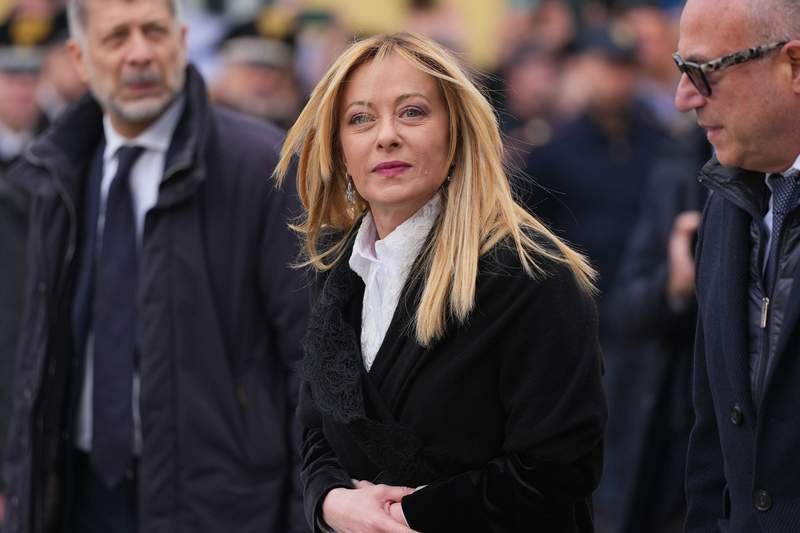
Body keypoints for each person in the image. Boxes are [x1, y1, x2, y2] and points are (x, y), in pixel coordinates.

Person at [274, 32, 607, 533]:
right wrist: (330, 504)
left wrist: (399, 516)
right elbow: (317, 428)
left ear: (456, 133)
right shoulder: (336, 268)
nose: (386, 135)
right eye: (360, 118)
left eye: (412, 112)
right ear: (339, 149)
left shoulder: (531, 277)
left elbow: (558, 470)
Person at [2, 0, 308, 532]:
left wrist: (307, 511)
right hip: (77, 496)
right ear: (79, 58)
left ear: (182, 41)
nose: (140, 53)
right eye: (117, 37)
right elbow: (27, 351)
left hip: (222, 504)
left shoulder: (261, 166)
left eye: (154, 31)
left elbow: (308, 360)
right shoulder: (53, 174)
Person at [674, 0, 800, 531]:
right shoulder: (727, 200)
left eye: (704, 71)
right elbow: (714, 440)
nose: (683, 97)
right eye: (681, 70)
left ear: (793, 65)